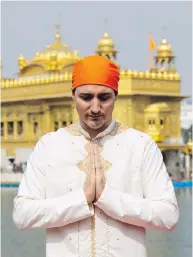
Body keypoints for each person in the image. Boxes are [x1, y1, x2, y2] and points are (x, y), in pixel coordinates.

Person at [13, 55, 179, 257]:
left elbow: (168, 215)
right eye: (86, 97)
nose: (95, 108)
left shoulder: (140, 146)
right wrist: (81, 200)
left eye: (104, 97)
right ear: (73, 96)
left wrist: (107, 198)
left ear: (115, 97)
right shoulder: (50, 146)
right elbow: (22, 215)